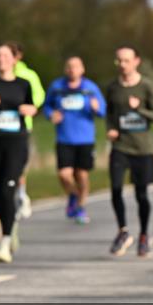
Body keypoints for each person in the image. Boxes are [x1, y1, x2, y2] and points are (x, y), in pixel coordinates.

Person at [0, 43, 37, 263]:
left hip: (16, 144)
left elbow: (32, 108)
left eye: (5, 55)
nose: (0, 59)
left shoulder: (23, 84)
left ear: (14, 59)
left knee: (6, 189)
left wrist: (30, 110)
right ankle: (8, 221)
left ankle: (5, 240)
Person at [105, 46, 153, 257]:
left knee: (141, 195)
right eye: (119, 61)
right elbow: (109, 113)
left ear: (136, 61)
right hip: (120, 147)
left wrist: (139, 109)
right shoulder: (112, 88)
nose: (122, 64)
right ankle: (123, 231)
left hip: (142, 149)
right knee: (116, 189)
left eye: (126, 60)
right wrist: (110, 128)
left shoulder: (146, 86)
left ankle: (144, 235)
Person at [44, 56, 106, 224]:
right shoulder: (57, 87)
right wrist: (51, 115)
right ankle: (74, 196)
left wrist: (96, 108)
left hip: (85, 138)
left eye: (76, 66)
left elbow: (102, 110)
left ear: (82, 69)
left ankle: (80, 206)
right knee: (64, 174)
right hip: (64, 137)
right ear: (65, 69)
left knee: (82, 174)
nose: (72, 70)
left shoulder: (90, 88)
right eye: (69, 66)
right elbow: (47, 105)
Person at [12, 44, 45, 220]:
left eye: (13, 55)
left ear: (19, 56)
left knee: (19, 165)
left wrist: (30, 106)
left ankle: (21, 195)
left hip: (23, 125)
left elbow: (39, 96)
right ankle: (14, 197)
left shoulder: (28, 75)